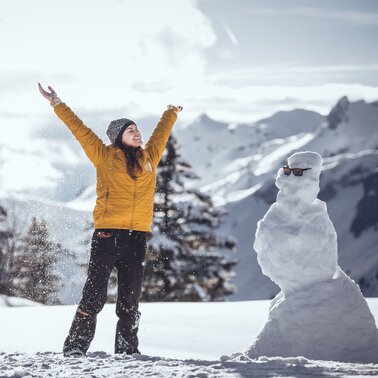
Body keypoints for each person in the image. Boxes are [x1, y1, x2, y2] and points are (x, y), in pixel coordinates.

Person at [38, 83, 182, 357]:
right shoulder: (103, 155)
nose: (137, 132)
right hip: (107, 236)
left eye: (137, 128)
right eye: (131, 130)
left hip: (137, 237)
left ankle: (127, 352)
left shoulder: (149, 157)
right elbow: (79, 129)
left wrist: (171, 110)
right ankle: (75, 349)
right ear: (118, 137)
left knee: (130, 300)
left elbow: (162, 132)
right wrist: (57, 103)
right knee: (94, 296)